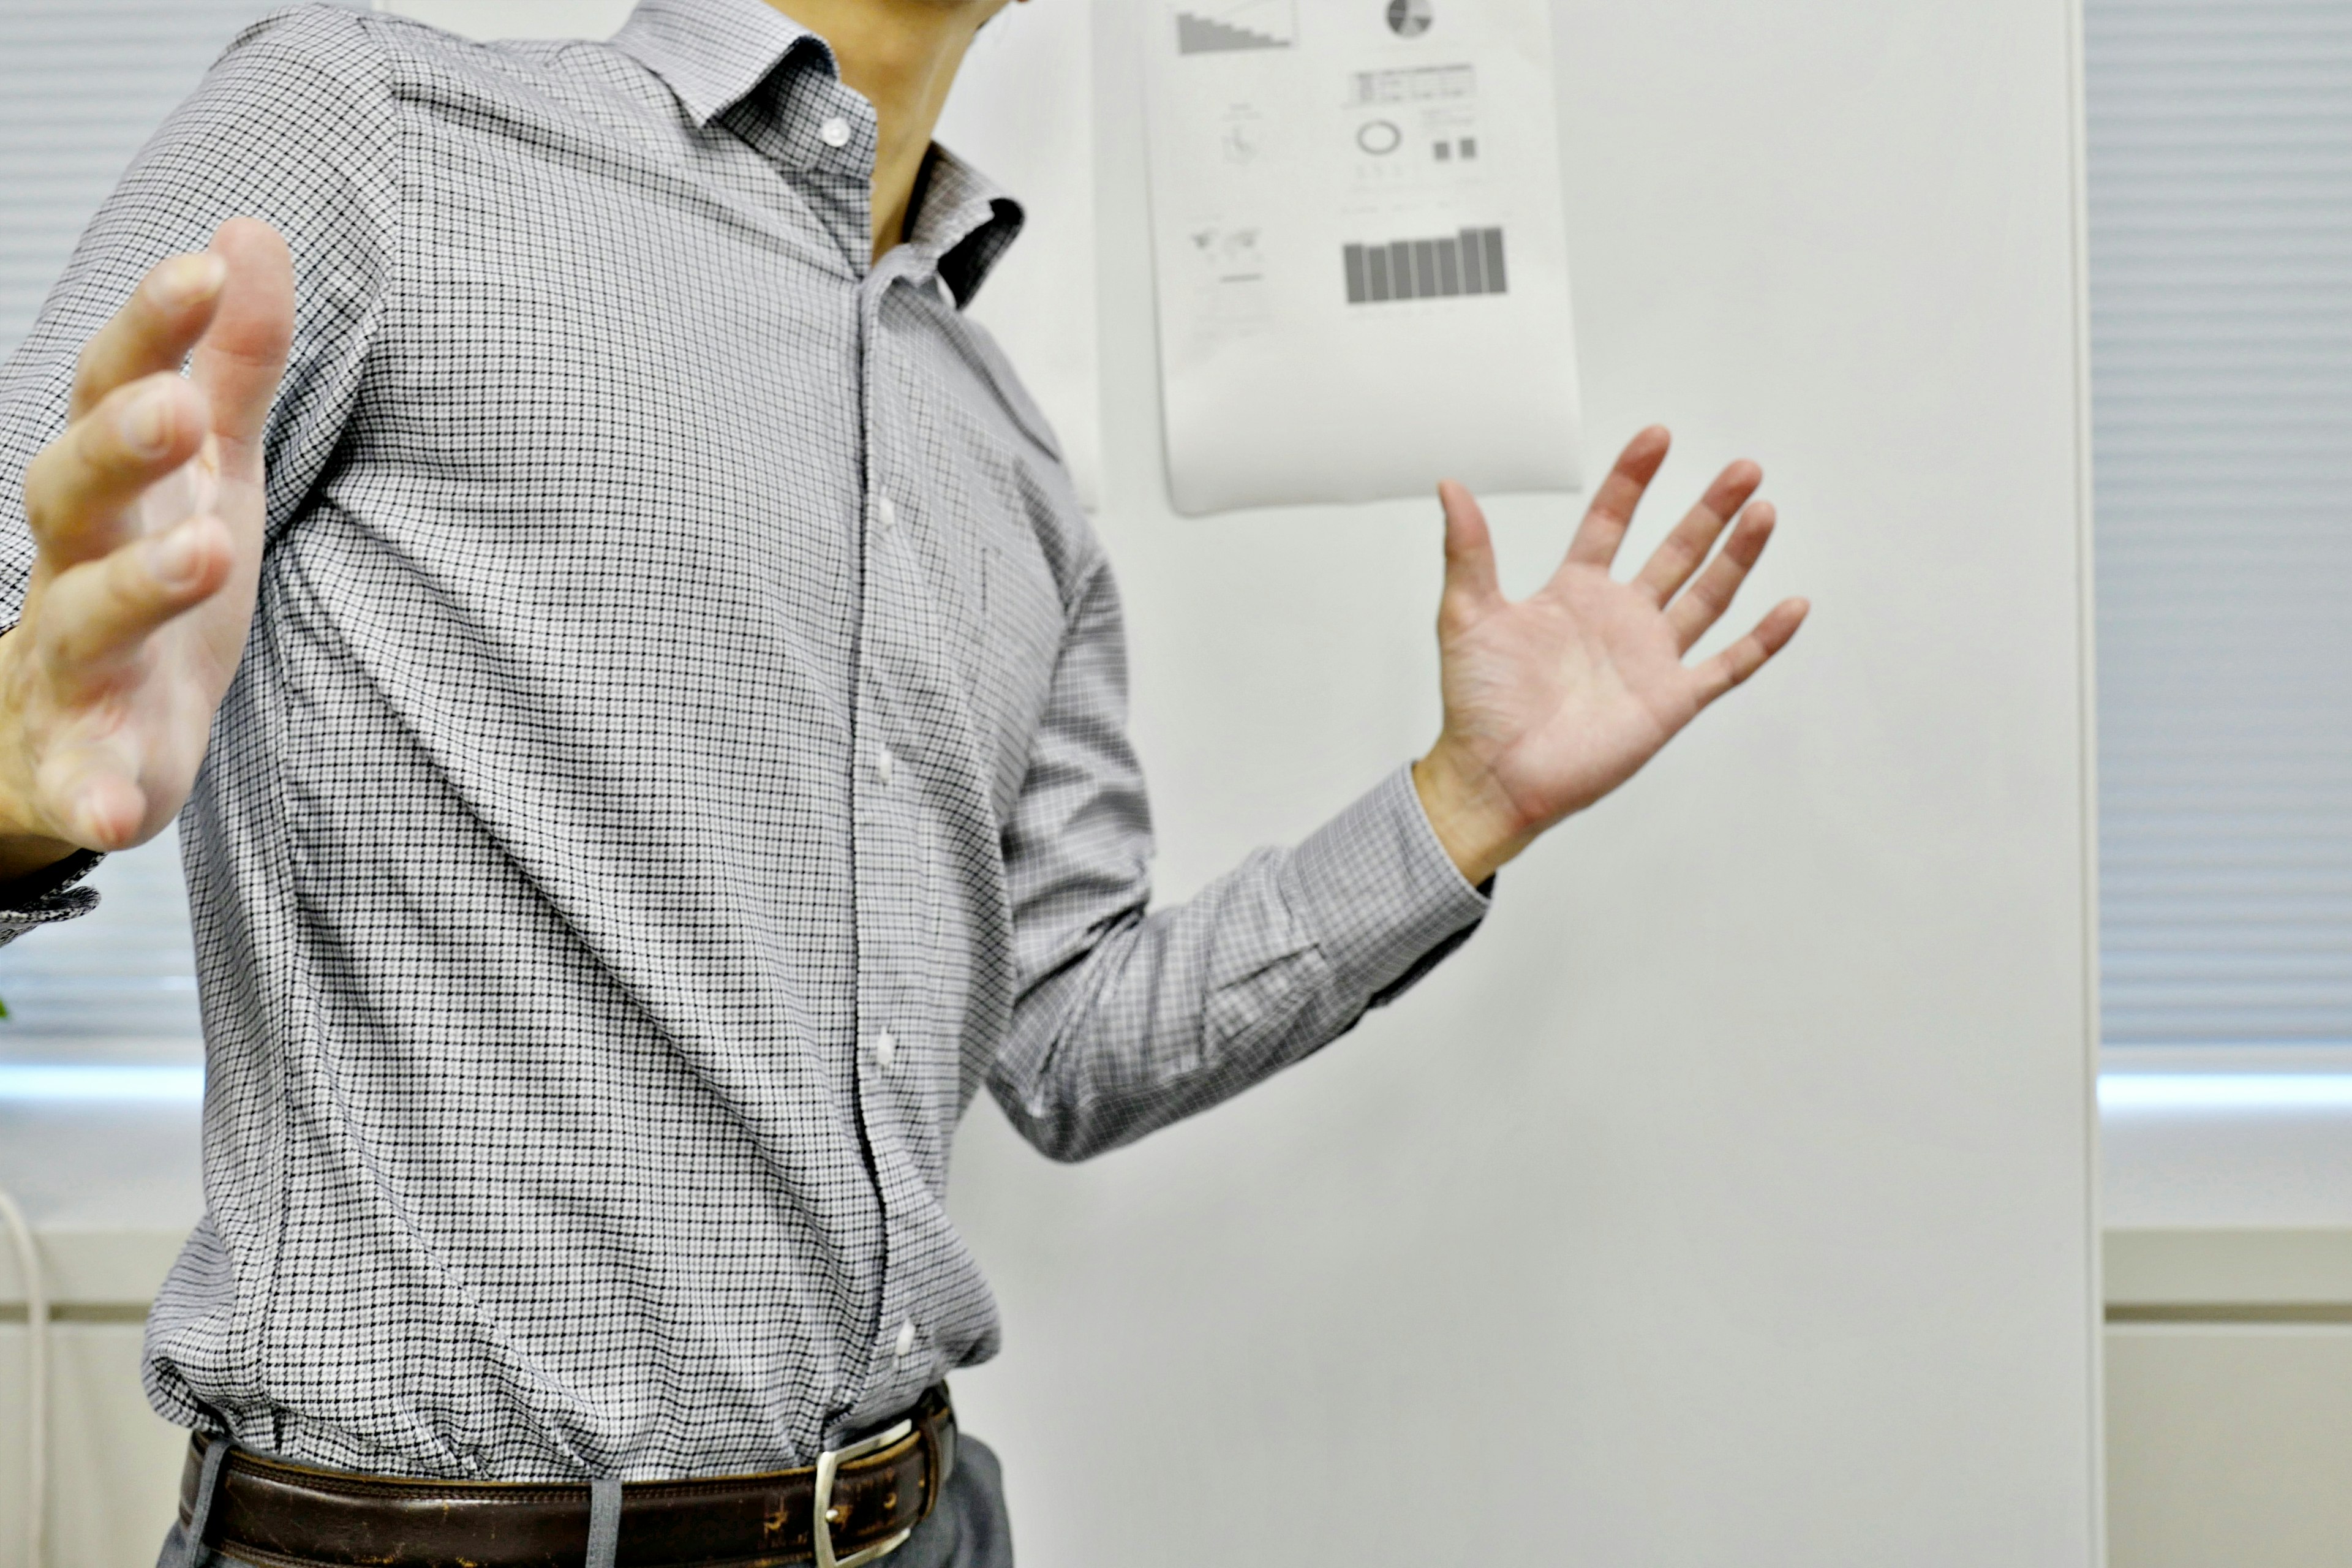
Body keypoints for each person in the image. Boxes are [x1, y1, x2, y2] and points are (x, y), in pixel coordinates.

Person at [0, 0, 1806, 1562]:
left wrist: (1461, 807)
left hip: (921, 1522)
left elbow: (1073, 1038)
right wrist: (13, 808)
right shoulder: (373, 133)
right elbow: (33, 649)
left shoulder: (1007, 449)